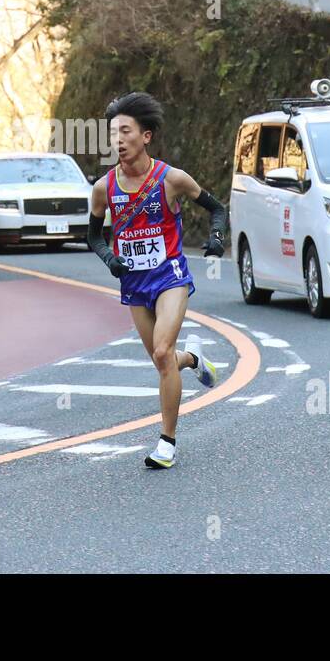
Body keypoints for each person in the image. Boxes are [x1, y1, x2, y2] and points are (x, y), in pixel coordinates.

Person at [86, 92, 228, 469]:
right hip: (134, 284)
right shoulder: (103, 188)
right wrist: (109, 259)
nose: (118, 140)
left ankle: (167, 442)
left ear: (145, 136)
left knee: (163, 353)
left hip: (170, 276)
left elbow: (216, 208)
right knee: (162, 361)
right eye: (113, 133)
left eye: (126, 131)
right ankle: (194, 359)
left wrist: (216, 238)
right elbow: (93, 236)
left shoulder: (171, 179)